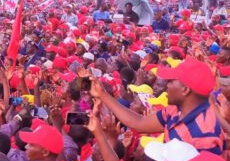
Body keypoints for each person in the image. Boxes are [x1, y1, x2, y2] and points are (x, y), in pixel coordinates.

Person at [90, 58, 222, 153]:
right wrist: (102, 94)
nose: (167, 86)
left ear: (185, 90)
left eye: (170, 81)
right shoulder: (174, 110)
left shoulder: (206, 133)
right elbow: (139, 123)